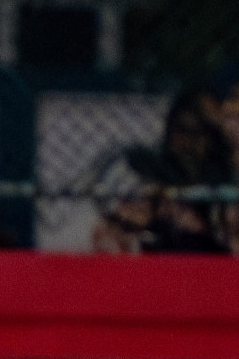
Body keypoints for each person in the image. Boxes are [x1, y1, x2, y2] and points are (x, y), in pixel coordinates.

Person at [93, 90, 233, 254]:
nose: (187, 141)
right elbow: (125, 219)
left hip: (208, 257)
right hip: (160, 255)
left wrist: (201, 226)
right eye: (180, 130)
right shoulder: (152, 168)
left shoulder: (221, 173)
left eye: (197, 132)